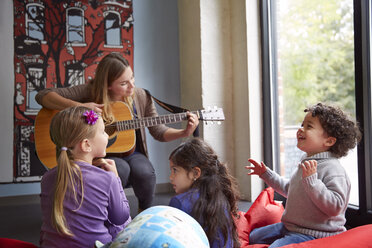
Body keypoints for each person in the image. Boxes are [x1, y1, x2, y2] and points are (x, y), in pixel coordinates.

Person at [35, 52, 199, 212]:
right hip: (100, 153)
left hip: (133, 152)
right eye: (123, 83)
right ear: (108, 85)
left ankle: (144, 213)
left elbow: (158, 131)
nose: (132, 85)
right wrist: (79, 107)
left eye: (132, 78)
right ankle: (107, 214)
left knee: (145, 172)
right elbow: (43, 96)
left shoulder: (141, 96)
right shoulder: (90, 91)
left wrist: (184, 132)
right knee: (120, 169)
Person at [245, 102, 362, 248]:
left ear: (329, 141)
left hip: (314, 233)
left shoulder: (333, 169)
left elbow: (336, 207)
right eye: (302, 124)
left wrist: (313, 182)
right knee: (253, 237)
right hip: (290, 226)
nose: (301, 129)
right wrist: (266, 174)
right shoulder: (306, 161)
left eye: (309, 126)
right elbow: (289, 189)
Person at [40, 106, 131, 248]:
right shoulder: (107, 178)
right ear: (86, 145)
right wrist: (116, 178)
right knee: (125, 223)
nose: (107, 136)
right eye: (103, 132)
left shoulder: (47, 178)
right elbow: (121, 217)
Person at [168, 138, 241, 248]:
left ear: (195, 173)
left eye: (175, 170)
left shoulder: (179, 202)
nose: (171, 177)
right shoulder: (220, 195)